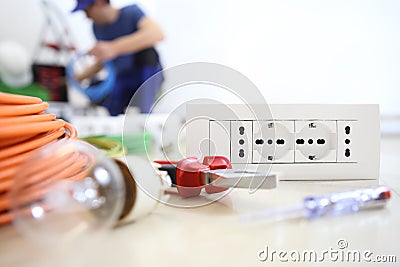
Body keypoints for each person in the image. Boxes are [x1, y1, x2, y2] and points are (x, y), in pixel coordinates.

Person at [72, 0, 164, 115]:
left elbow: (157, 34)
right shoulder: (97, 28)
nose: (87, 17)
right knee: (113, 108)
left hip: (145, 74)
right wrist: (81, 76)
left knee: (147, 54)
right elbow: (105, 59)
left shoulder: (131, 12)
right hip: (122, 76)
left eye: (87, 11)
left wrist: (113, 48)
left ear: (100, 3)